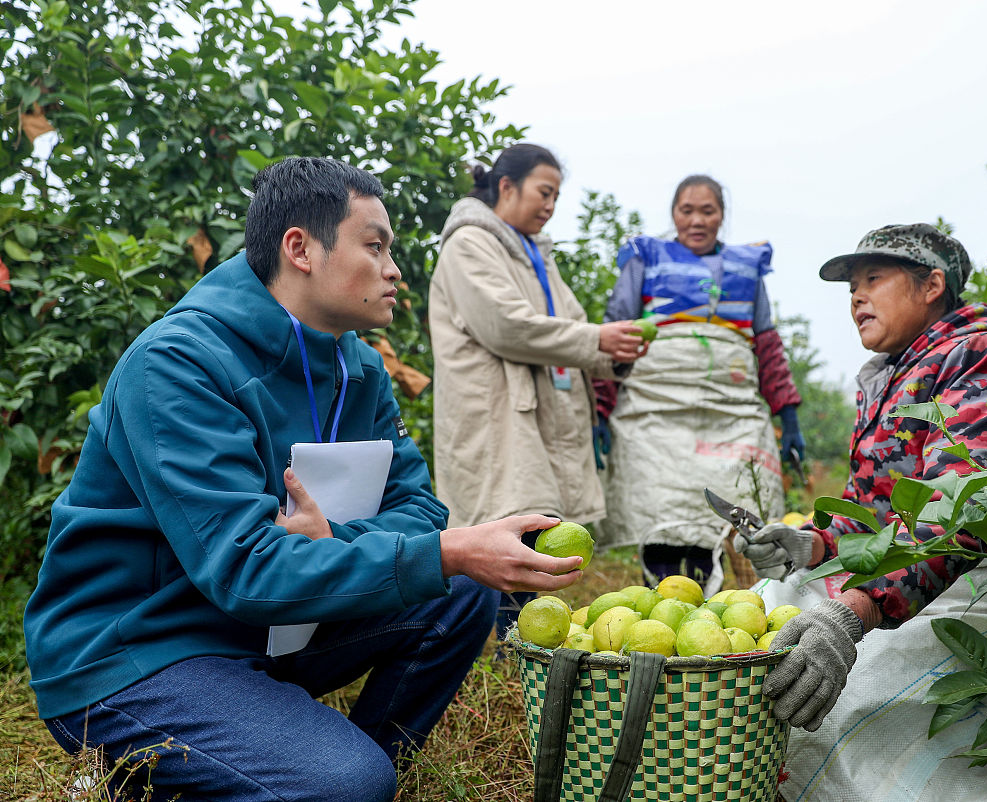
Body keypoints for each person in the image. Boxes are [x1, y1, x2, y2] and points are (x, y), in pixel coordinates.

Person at [23, 157, 585, 802]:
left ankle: (301, 765)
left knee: (457, 593)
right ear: (300, 248)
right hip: (140, 651)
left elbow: (420, 510)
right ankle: (302, 773)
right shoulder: (177, 365)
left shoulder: (360, 370)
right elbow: (245, 570)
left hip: (262, 632)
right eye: (373, 247)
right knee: (345, 780)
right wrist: (443, 549)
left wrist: (344, 539)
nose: (394, 270)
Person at [735, 224, 987, 800]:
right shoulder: (892, 376)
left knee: (860, 697)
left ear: (933, 284)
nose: (856, 296)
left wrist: (853, 613)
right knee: (765, 623)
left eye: (873, 279)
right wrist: (813, 544)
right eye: (851, 286)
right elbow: (874, 514)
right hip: (927, 576)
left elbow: (968, 508)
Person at [428, 143, 646, 634]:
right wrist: (597, 342)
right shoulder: (470, 243)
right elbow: (506, 324)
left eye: (556, 196)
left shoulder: (534, 254)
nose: (550, 205)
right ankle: (508, 647)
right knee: (503, 527)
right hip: (496, 412)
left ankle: (528, 647)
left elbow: (571, 323)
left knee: (534, 530)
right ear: (507, 187)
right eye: (543, 192)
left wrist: (615, 351)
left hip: (536, 410)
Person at [593, 175, 803, 590]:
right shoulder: (645, 257)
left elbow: (766, 345)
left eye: (707, 210)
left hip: (731, 411)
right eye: (686, 210)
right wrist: (599, 410)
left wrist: (789, 415)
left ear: (722, 215)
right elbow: (616, 334)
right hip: (655, 408)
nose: (696, 220)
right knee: (662, 511)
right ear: (673, 214)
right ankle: (662, 602)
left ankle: (705, 606)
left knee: (723, 515)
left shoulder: (747, 268)